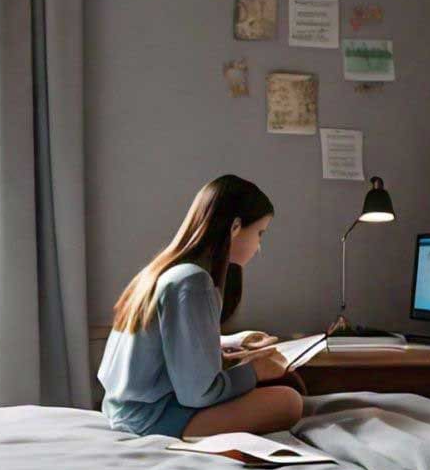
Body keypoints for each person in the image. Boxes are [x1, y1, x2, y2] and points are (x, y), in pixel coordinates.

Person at [98, 174, 304, 439]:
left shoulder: (166, 271)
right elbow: (197, 393)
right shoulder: (193, 281)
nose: (259, 247)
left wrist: (231, 342)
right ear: (235, 227)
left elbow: (169, 344)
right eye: (259, 233)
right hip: (153, 419)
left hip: (123, 410)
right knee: (289, 401)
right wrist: (255, 371)